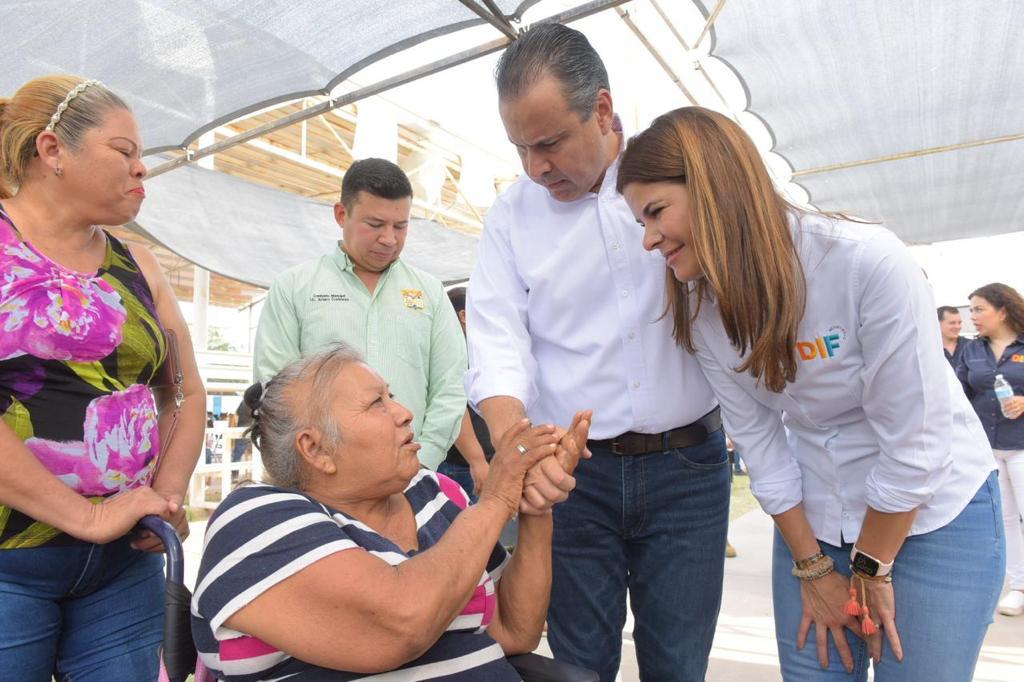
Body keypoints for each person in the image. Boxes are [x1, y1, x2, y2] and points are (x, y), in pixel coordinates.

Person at [617, 106, 1003, 681]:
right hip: (815, 531)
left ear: (715, 187)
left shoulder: (867, 264)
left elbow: (914, 447)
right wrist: (816, 568)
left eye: (655, 213)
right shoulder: (700, 310)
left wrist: (871, 568)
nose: (648, 241)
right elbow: (762, 448)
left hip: (933, 518)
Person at [466, 24, 730, 681]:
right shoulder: (510, 218)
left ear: (604, 111)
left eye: (550, 143)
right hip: (572, 480)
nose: (536, 168)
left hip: (688, 473)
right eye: (522, 148)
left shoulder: (678, 178)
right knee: (578, 667)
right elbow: (497, 342)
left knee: (679, 664)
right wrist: (517, 449)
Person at [191, 344, 591, 679]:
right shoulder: (255, 518)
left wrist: (536, 507)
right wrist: (497, 502)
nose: (404, 412)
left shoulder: (432, 493)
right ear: (315, 450)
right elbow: (402, 623)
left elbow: (515, 631)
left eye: (391, 395)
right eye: (376, 404)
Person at [0, 75, 205, 679]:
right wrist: (86, 515)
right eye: (125, 152)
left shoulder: (138, 263)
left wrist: (165, 496)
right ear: (52, 150)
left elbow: (185, 390)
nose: (143, 170)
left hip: (123, 565)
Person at [253, 158, 466, 469]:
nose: (389, 239)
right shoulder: (294, 288)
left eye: (401, 226)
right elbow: (275, 386)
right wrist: (311, 466)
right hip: (323, 474)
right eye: (375, 225)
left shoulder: (429, 293)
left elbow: (451, 385)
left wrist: (423, 459)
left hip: (411, 470)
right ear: (342, 214)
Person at [956, 283, 1024, 616]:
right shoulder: (971, 350)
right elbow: (960, 393)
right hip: (987, 447)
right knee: (1006, 518)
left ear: (1003, 310)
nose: (973, 317)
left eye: (979, 309)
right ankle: (1019, 585)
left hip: (1022, 444)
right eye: (971, 310)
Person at [439, 286, 493, 501]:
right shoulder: (456, 355)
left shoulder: (476, 351)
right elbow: (454, 406)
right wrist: (477, 461)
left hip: (473, 463)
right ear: (464, 316)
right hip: (466, 466)